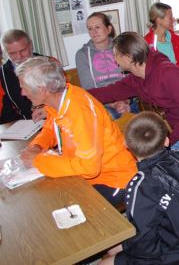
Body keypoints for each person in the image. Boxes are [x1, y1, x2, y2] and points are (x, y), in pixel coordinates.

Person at [18, 57, 137, 206]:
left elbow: (89, 168)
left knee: (57, 204)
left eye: (24, 87)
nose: (22, 93)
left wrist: (38, 161)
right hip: (86, 174)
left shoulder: (80, 111)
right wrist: (37, 146)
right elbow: (51, 128)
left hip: (113, 180)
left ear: (43, 89)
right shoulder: (60, 97)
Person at [100, 112, 179, 265]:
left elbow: (145, 245)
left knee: (105, 259)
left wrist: (128, 250)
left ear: (126, 145)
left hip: (172, 253)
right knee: (114, 248)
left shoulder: (140, 186)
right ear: (166, 141)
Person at [88, 32, 179, 161]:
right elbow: (110, 92)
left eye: (115, 55)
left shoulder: (167, 73)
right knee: (161, 165)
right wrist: (78, 94)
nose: (114, 60)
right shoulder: (137, 78)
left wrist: (171, 140)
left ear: (128, 57)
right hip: (177, 132)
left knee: (176, 166)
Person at [75, 13, 138, 119]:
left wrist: (125, 101)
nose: (93, 32)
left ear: (109, 29)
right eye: (90, 28)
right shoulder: (82, 55)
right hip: (101, 103)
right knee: (110, 118)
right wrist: (112, 103)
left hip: (127, 99)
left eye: (97, 27)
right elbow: (88, 88)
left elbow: (132, 79)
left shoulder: (122, 48)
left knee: (143, 120)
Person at [1, 29, 47, 124]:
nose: (19, 57)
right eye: (12, 53)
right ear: (6, 53)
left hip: (51, 119)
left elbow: (64, 97)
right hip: (24, 125)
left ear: (30, 45)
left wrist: (49, 110)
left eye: (23, 50)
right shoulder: (3, 75)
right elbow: (5, 111)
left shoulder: (49, 64)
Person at [144, 2, 179, 69]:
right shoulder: (146, 44)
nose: (173, 19)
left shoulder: (176, 39)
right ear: (158, 20)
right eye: (170, 17)